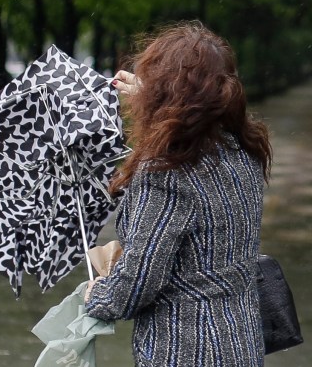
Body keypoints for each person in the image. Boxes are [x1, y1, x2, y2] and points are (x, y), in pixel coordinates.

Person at [84, 22, 273, 367]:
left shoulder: (165, 173)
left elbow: (138, 284)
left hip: (185, 350)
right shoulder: (242, 152)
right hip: (241, 342)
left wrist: (99, 296)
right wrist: (159, 95)